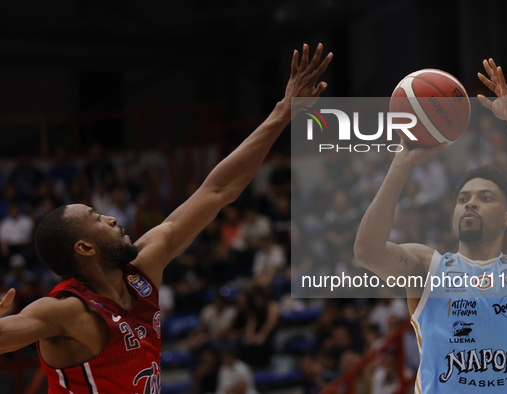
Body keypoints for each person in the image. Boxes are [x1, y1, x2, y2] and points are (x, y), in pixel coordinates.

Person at [0, 43, 332, 393]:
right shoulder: (66, 311)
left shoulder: (143, 268)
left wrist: (281, 112)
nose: (112, 219)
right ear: (84, 247)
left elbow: (217, 191)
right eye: (96, 218)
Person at [354, 58, 507, 393]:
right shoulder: (428, 267)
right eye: (463, 198)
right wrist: (402, 164)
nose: (470, 202)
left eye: (485, 197)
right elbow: (367, 252)